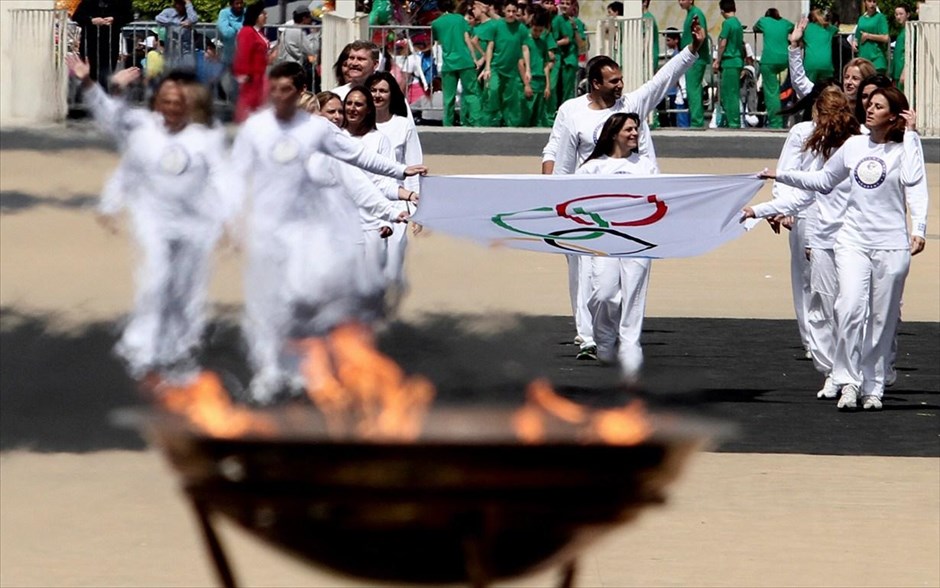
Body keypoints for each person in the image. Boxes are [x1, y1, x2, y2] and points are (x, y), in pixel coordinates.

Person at [229, 64, 426, 401]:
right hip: (270, 237)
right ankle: (270, 373)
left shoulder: (326, 145)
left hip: (316, 241)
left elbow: (362, 176)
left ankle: (318, 373)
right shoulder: (257, 131)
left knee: (314, 307)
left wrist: (398, 191)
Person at [746, 87, 928, 411]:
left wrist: (920, 228)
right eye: (868, 105)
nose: (869, 109)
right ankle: (846, 380)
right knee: (848, 308)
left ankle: (873, 385)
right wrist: (774, 184)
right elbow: (820, 181)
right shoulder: (854, 146)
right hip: (851, 240)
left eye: (877, 106)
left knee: (882, 317)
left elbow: (915, 181)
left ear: (893, 115)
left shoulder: (903, 148)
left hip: (890, 242)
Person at [542, 23, 706, 358]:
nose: (620, 85)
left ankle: (615, 335)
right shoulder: (571, 112)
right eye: (613, 81)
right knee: (583, 271)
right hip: (582, 205)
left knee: (618, 278)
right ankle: (587, 336)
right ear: (596, 83)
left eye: (621, 80)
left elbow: (663, 79)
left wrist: (691, 50)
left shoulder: (630, 105)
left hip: (627, 209)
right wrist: (551, 198)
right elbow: (557, 155)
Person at [67, 55, 228, 385]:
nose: (172, 106)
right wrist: (92, 84)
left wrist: (228, 219)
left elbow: (223, 179)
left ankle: (178, 348)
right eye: (166, 100)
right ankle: (143, 348)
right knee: (155, 281)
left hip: (194, 224)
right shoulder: (144, 129)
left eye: (178, 101)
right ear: (158, 103)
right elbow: (116, 132)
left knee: (186, 289)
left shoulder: (205, 136)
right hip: (153, 221)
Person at [576, 112, 656, 383]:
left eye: (636, 129)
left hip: (638, 239)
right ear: (613, 134)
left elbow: (661, 197)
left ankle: (631, 346)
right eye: (629, 130)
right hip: (604, 239)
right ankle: (604, 340)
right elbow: (573, 202)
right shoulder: (592, 168)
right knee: (604, 294)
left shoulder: (645, 165)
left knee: (633, 294)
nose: (635, 134)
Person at [368, 71, 424, 306]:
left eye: (383, 90)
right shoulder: (358, 127)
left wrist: (417, 209)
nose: (377, 95)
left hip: (397, 202)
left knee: (392, 263)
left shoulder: (403, 126)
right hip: (365, 202)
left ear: (392, 95)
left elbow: (413, 165)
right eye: (373, 90)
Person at [789, 18, 876, 103]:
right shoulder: (834, 100)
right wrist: (794, 45)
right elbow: (800, 83)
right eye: (846, 77)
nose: (848, 82)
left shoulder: (873, 108)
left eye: (855, 78)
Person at [431, 0, 482, 126]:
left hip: (448, 62)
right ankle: (476, 122)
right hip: (465, 60)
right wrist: (474, 58)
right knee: (471, 93)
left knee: (448, 97)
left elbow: (437, 40)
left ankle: (447, 124)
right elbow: (467, 39)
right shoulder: (460, 19)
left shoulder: (436, 24)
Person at [479, 2, 530, 127]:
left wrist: (528, 69)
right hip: (496, 66)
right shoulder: (496, 26)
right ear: (504, 11)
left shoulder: (521, 28)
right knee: (493, 90)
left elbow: (525, 48)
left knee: (511, 97)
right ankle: (490, 121)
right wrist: (487, 68)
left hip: (512, 69)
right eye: (508, 11)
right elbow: (490, 47)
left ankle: (510, 123)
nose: (511, 14)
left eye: (513, 11)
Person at [71, 0, 134, 86]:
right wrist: (91, 21)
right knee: (90, 72)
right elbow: (77, 17)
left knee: (107, 73)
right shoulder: (88, 2)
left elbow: (129, 16)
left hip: (110, 44)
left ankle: (103, 93)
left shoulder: (121, 3)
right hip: (90, 43)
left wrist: (114, 19)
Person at [754, 8, 794, 129]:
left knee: (771, 93)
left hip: (769, 60)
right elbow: (794, 27)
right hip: (784, 60)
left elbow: (755, 27)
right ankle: (786, 118)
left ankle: (775, 123)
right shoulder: (785, 23)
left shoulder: (764, 21)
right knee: (786, 90)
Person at [232, 2, 270, 123]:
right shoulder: (247, 31)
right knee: (251, 109)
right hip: (251, 78)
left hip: (260, 76)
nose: (266, 16)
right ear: (256, 15)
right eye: (263, 13)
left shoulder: (258, 32)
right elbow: (243, 54)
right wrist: (243, 74)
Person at [522, 5, 556, 127]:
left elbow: (546, 64)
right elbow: (522, 63)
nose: (537, 33)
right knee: (527, 113)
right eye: (535, 30)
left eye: (540, 31)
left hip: (541, 80)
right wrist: (526, 84)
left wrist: (547, 85)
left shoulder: (542, 43)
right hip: (530, 80)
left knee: (539, 116)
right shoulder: (525, 41)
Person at [678, 0, 709, 128]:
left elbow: (701, 34)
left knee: (693, 89)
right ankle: (696, 119)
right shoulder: (691, 13)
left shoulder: (696, 13)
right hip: (692, 57)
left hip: (695, 58)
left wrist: (694, 50)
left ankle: (697, 121)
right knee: (693, 89)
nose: (680, 2)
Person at [713, 0, 743, 128]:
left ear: (722, 11)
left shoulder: (727, 24)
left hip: (728, 61)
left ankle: (733, 121)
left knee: (729, 94)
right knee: (734, 93)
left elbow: (723, 43)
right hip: (737, 60)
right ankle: (734, 120)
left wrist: (717, 60)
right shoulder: (738, 23)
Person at [155, 0, 200, 68]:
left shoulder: (189, 13)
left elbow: (194, 19)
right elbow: (158, 18)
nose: (179, 5)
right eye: (177, 3)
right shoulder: (168, 11)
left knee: (187, 71)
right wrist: (178, 23)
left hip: (186, 49)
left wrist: (188, 3)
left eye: (182, 3)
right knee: (171, 72)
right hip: (171, 49)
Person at [216, 0, 245, 102]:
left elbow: (248, 30)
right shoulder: (224, 13)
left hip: (243, 55)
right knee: (225, 80)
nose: (239, 6)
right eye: (237, 3)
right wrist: (239, 27)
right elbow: (226, 33)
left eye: (241, 3)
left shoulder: (246, 12)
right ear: (231, 4)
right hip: (228, 55)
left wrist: (231, 24)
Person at [852, 0, 889, 74]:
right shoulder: (861, 19)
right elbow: (857, 36)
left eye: (874, 1)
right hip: (863, 60)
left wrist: (869, 36)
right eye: (869, 1)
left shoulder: (880, 17)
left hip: (877, 61)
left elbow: (886, 38)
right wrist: (854, 43)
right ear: (865, 2)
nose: (872, 4)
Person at [890, 4, 911, 90]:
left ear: (908, 14)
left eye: (901, 14)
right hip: (896, 71)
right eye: (896, 14)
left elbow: (910, 52)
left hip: (902, 71)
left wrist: (904, 71)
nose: (898, 17)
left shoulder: (909, 31)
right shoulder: (901, 31)